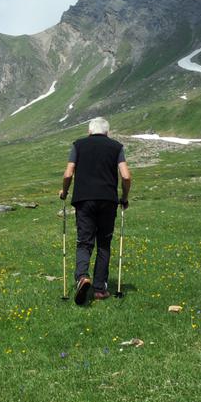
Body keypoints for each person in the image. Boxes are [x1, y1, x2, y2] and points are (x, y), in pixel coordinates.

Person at [60, 117, 131, 305]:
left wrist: (64, 191)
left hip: (84, 199)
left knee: (84, 242)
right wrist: (124, 197)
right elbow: (126, 175)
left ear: (89, 131)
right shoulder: (116, 147)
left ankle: (82, 277)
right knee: (104, 244)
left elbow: (68, 173)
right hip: (108, 199)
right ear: (107, 132)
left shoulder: (78, 145)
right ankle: (100, 289)